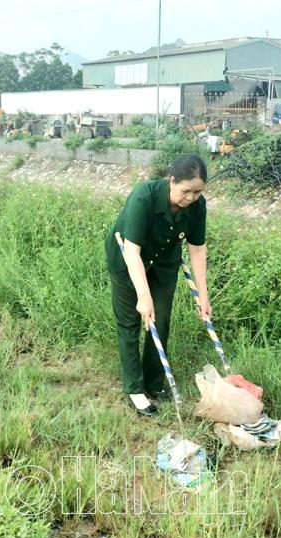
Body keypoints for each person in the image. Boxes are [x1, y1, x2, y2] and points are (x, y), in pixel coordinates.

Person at [105, 154, 211, 417]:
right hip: (129, 258)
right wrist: (143, 295)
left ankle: (154, 383)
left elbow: (197, 249)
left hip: (164, 263)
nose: (191, 198)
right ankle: (135, 389)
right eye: (186, 191)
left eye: (198, 192)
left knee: (160, 320)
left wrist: (203, 296)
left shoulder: (198, 207)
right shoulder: (145, 197)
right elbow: (132, 250)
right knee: (131, 321)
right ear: (171, 180)